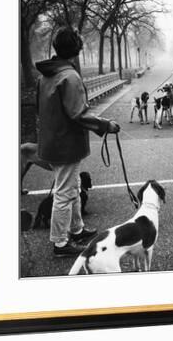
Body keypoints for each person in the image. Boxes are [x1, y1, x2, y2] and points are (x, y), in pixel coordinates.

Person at [36, 27, 120, 257]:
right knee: (64, 192)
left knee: (71, 187)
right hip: (66, 144)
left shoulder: (46, 75)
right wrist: (105, 125)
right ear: (76, 51)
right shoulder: (70, 77)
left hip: (53, 140)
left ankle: (77, 228)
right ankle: (60, 242)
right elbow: (79, 114)